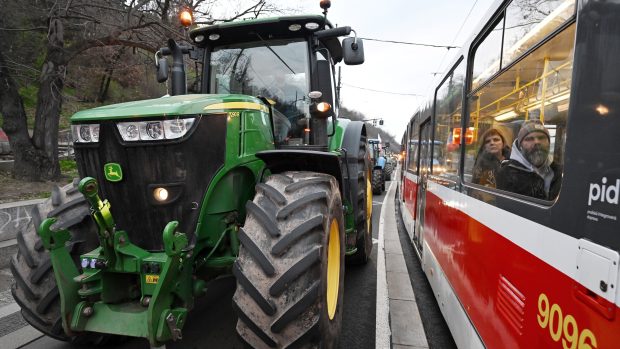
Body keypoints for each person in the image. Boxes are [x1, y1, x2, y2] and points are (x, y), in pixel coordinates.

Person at [496, 120, 561, 200]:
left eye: (541, 138)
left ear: (548, 143)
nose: (537, 142)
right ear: (520, 146)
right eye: (529, 139)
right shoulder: (507, 174)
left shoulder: (560, 172)